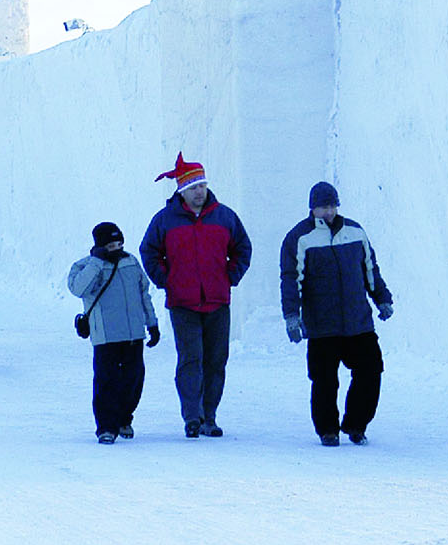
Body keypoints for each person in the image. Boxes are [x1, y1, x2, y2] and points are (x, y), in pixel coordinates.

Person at [140, 153, 252, 439]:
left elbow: (243, 248)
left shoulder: (224, 216)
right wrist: (168, 280)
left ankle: (209, 417)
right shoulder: (165, 220)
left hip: (217, 302)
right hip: (183, 303)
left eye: (202, 185)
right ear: (182, 191)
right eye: (193, 187)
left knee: (215, 361)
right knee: (191, 359)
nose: (199, 191)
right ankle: (192, 415)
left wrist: (230, 276)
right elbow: (149, 251)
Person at [279, 181, 394, 446]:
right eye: (322, 207)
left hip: (358, 322)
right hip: (322, 325)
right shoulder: (299, 238)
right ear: (312, 208)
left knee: (371, 370)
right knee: (324, 380)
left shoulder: (355, 232)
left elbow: (370, 269)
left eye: (332, 206)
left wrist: (382, 299)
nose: (328, 212)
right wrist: (292, 316)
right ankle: (327, 430)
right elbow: (290, 279)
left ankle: (356, 424)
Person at [68, 222, 162, 444]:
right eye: (110, 245)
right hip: (106, 336)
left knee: (134, 380)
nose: (116, 248)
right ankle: (106, 427)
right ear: (100, 246)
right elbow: (78, 289)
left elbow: (144, 295)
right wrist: (97, 262)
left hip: (133, 334)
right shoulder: (85, 266)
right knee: (106, 381)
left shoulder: (131, 263)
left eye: (119, 243)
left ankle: (124, 418)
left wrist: (152, 323)